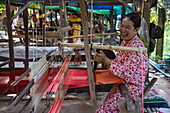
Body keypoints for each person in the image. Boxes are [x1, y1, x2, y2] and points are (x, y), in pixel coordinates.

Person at [94, 12, 148, 113]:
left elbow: (126, 73)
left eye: (127, 27)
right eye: (122, 26)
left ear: (136, 30)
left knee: (103, 111)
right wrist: (104, 60)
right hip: (122, 83)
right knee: (105, 106)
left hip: (132, 88)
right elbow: (118, 62)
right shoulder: (124, 43)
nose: (123, 30)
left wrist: (107, 61)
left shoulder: (136, 48)